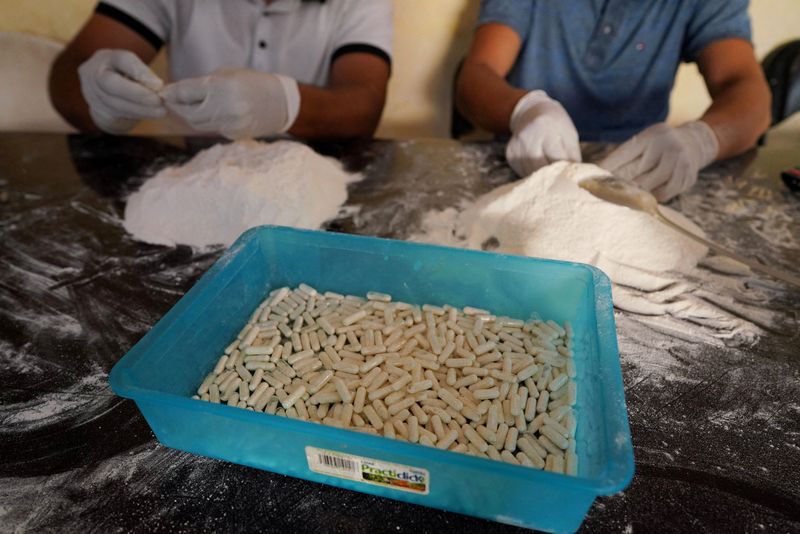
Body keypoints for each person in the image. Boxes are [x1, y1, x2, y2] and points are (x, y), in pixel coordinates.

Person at [456, 0, 772, 201]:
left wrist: (700, 140)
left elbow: (748, 92)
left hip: (639, 176)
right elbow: (476, 74)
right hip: (525, 161)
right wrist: (524, 110)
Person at [49, 0, 392, 141]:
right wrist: (100, 99)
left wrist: (287, 103)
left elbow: (364, 103)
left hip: (321, 181)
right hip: (190, 178)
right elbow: (67, 79)